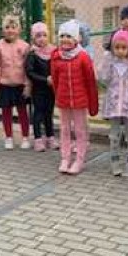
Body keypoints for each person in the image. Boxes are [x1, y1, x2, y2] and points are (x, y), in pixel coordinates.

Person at [51, 19, 98, 175]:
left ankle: (79, 159)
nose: (65, 39)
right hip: (64, 100)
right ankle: (65, 158)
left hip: (79, 101)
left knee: (80, 130)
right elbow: (55, 79)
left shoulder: (83, 57)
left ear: (77, 39)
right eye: (62, 35)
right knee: (64, 129)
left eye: (69, 36)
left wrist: (93, 104)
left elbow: (90, 81)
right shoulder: (56, 56)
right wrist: (58, 96)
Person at [97, 29, 128, 177]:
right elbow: (103, 78)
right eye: (117, 47)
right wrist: (106, 62)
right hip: (113, 105)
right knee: (114, 135)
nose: (120, 51)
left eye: (124, 48)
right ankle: (115, 163)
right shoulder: (110, 61)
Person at [0, 14, 31, 150]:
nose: (10, 30)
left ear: (19, 30)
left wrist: (27, 85)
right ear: (3, 30)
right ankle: (8, 137)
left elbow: (27, 68)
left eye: (13, 27)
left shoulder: (25, 46)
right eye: (7, 27)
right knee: (6, 112)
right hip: (4, 85)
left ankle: (25, 137)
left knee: (23, 112)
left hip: (20, 85)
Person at [25, 22, 58, 152]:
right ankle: (38, 139)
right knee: (38, 113)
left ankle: (50, 137)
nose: (42, 38)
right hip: (38, 89)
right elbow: (30, 72)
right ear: (34, 38)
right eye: (38, 36)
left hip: (51, 89)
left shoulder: (53, 52)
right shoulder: (32, 54)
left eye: (44, 35)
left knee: (49, 113)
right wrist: (45, 80)